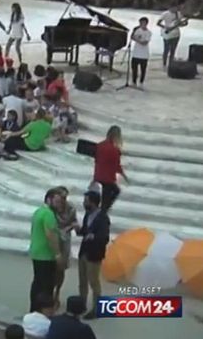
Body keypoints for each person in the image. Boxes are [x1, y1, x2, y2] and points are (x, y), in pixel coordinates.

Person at [76, 191, 110, 320]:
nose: (84, 203)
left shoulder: (103, 218)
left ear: (93, 202)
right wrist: (79, 229)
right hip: (84, 252)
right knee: (82, 281)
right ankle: (81, 304)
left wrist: (93, 236)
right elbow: (85, 231)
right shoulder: (88, 214)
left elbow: (104, 237)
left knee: (94, 282)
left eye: (86, 201)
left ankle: (96, 309)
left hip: (94, 254)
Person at [28, 188, 63, 313]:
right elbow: (50, 235)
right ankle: (43, 311)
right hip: (46, 254)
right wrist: (57, 254)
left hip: (36, 252)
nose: (59, 205)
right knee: (47, 286)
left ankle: (34, 309)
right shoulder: (49, 214)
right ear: (49, 200)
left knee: (37, 283)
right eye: (57, 202)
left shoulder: (38, 211)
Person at [93, 125, 128, 211]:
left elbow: (96, 160)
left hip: (99, 175)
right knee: (112, 194)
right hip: (108, 178)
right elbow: (117, 166)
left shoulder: (100, 145)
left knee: (109, 194)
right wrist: (124, 175)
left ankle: (102, 210)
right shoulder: (115, 150)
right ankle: (103, 212)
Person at [157, 4, 188, 68]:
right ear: (170, 7)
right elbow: (158, 23)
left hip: (176, 34)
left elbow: (180, 24)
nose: (175, 9)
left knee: (173, 50)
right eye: (174, 8)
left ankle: (171, 64)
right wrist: (165, 27)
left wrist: (185, 23)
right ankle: (164, 63)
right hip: (167, 34)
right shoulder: (165, 14)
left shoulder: (178, 14)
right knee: (166, 49)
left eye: (176, 8)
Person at [130, 17, 151, 88]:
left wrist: (137, 39)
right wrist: (136, 38)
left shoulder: (148, 32)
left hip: (144, 55)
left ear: (146, 23)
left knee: (143, 70)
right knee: (134, 69)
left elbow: (144, 43)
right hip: (136, 53)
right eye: (141, 23)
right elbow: (132, 37)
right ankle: (134, 82)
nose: (142, 24)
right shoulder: (137, 30)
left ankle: (141, 82)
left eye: (143, 23)